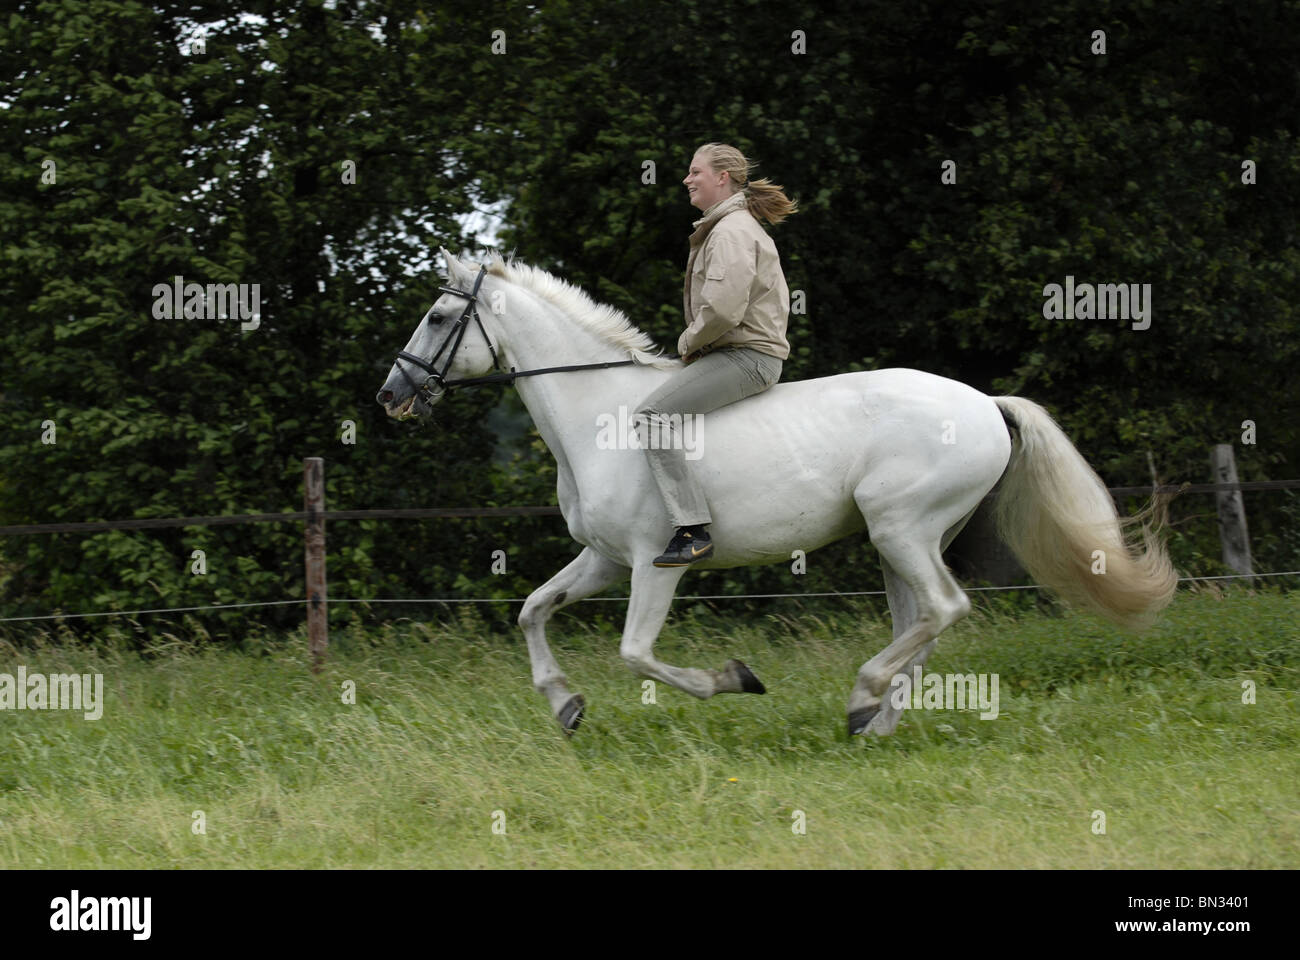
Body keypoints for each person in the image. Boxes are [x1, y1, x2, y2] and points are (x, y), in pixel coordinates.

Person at [636, 142, 799, 567]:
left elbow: (725, 309)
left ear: (721, 178)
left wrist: (688, 342)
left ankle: (691, 531)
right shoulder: (727, 226)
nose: (687, 179)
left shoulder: (730, 231)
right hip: (736, 353)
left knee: (651, 416)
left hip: (746, 357)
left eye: (695, 172)